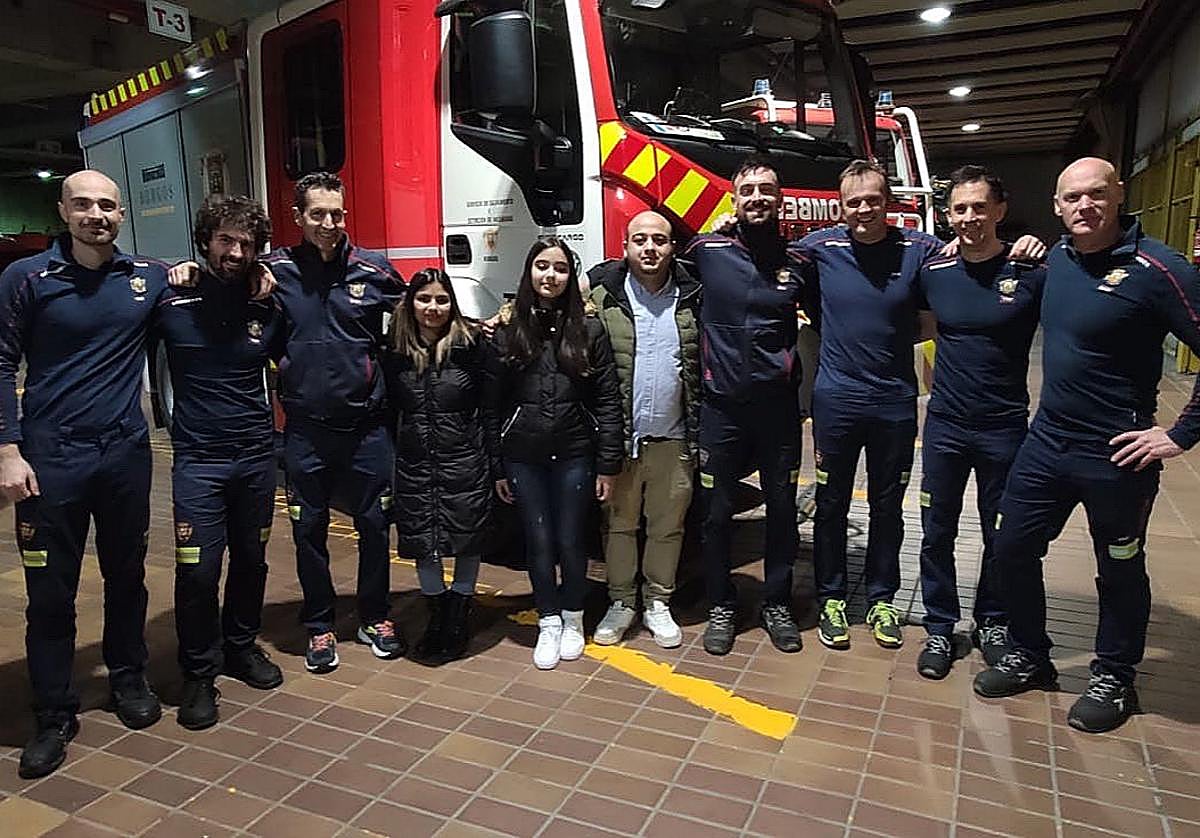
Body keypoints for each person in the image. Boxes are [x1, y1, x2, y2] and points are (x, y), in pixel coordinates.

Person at [974, 157, 1200, 734]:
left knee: (1119, 566)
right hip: (1047, 443)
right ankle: (1030, 653)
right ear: (1057, 206)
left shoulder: (1158, 269)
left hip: (1117, 455)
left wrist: (1178, 434)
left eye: (1097, 193)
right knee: (1010, 548)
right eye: (1072, 197)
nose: (1085, 206)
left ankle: (1114, 677)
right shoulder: (1055, 260)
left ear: (1119, 194)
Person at [0, 171, 165, 778]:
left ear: (122, 214)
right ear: (63, 211)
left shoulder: (146, 279)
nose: (96, 214)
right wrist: (7, 451)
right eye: (83, 204)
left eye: (107, 205)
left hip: (124, 455)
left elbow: (204, 301)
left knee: (127, 575)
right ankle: (53, 713)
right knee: (50, 592)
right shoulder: (26, 279)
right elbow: (0, 363)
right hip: (51, 460)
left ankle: (128, 678)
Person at [800, 160, 946, 653]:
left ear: (889, 202)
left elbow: (964, 267)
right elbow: (763, 260)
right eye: (854, 202)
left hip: (894, 404)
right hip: (836, 402)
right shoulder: (820, 249)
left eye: (873, 200)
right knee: (830, 503)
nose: (864, 209)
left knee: (888, 506)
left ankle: (883, 599)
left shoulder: (920, 250)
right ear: (841, 207)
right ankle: (831, 598)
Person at [155, 195, 285, 730]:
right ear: (205, 241)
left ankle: (240, 647)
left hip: (255, 458)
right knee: (198, 569)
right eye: (225, 240)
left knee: (252, 561)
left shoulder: (266, 303)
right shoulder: (170, 299)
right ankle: (199, 672)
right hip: (199, 463)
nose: (235, 252)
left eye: (246, 243)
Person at [913, 167, 1046, 679]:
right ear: (948, 216)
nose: (970, 218)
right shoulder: (935, 271)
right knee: (936, 531)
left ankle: (992, 621)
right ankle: (940, 626)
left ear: (999, 210)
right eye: (960, 209)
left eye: (979, 207)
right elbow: (926, 335)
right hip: (946, 426)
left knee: (1000, 532)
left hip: (1004, 427)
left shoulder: (1030, 271)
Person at [684, 154, 810, 656]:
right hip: (721, 410)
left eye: (766, 190)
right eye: (747, 191)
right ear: (734, 200)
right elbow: (644, 269)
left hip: (778, 410)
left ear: (780, 199)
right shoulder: (706, 250)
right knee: (716, 514)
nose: (757, 198)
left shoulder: (800, 261)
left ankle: (776, 604)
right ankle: (722, 603)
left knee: (781, 511)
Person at [489, 237, 622, 670]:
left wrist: (608, 464)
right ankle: (548, 619)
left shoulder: (590, 328)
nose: (551, 275)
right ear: (529, 271)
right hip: (523, 455)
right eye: (542, 266)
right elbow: (492, 404)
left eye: (561, 268)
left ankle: (573, 618)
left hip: (575, 452)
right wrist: (497, 465)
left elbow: (608, 399)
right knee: (539, 540)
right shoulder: (508, 328)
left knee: (571, 539)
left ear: (571, 276)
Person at [587, 211, 701, 648]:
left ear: (672, 248)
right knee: (619, 525)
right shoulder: (602, 294)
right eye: (640, 240)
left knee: (667, 527)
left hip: (674, 438)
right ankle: (621, 602)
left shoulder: (693, 296)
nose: (650, 248)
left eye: (659, 240)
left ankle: (657, 602)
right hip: (621, 439)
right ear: (625, 247)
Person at [384, 268, 495, 664]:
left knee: (467, 539)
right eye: (424, 299)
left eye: (442, 300)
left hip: (464, 460)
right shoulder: (394, 351)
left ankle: (459, 610)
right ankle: (436, 613)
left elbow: (490, 406)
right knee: (423, 541)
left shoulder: (473, 345)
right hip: (415, 463)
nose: (433, 307)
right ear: (410, 303)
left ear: (453, 305)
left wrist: (492, 462)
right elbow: (388, 410)